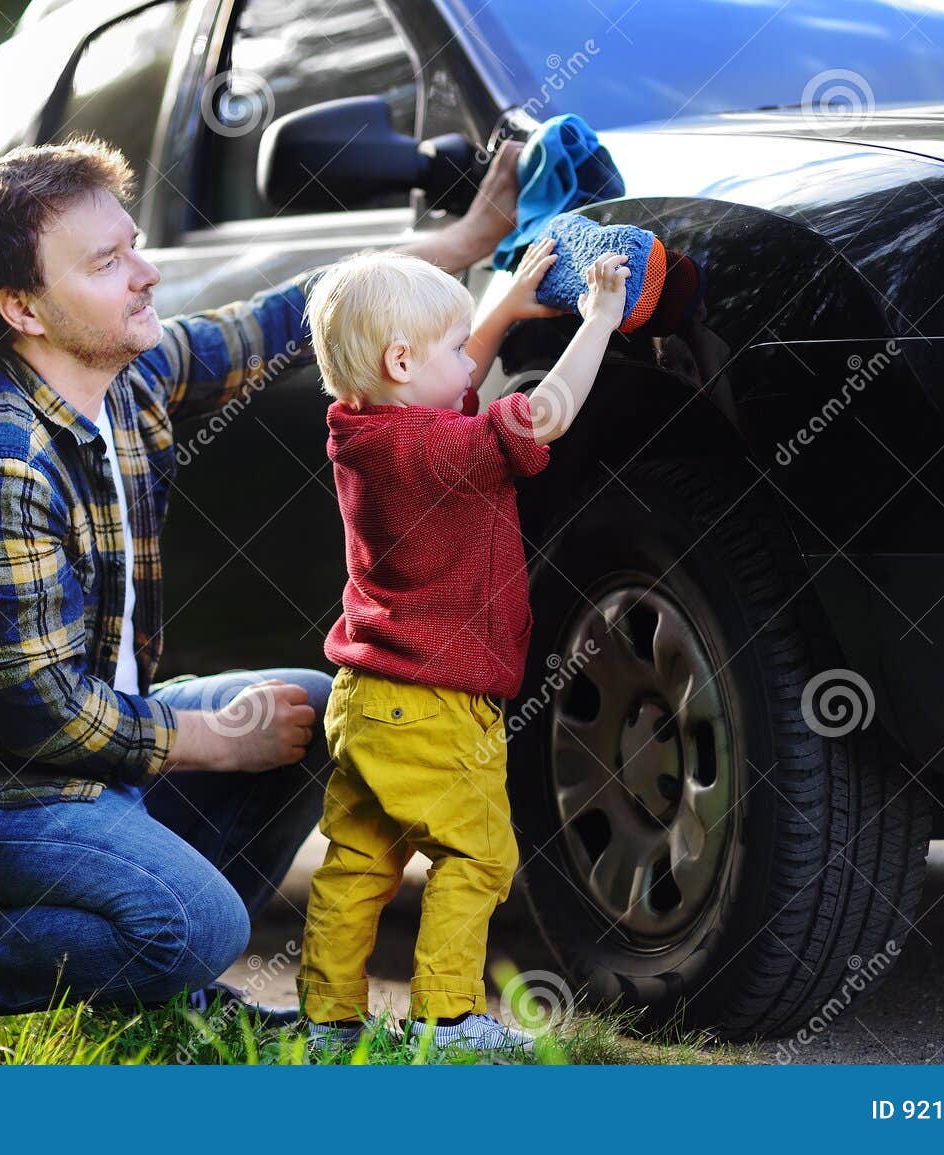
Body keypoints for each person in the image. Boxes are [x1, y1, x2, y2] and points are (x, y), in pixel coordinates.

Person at [0, 132, 526, 1031]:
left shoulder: (122, 377)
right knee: (205, 922)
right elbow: (42, 712)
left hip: (72, 775)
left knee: (304, 704)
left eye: (132, 245)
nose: (147, 273)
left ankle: (162, 976)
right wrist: (211, 739)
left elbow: (299, 312)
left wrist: (466, 245)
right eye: (108, 262)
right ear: (24, 307)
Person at [296, 239, 631, 1053]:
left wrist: (503, 309)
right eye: (454, 348)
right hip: (439, 706)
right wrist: (598, 323)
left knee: (359, 863)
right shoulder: (441, 451)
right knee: (477, 857)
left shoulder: (365, 430)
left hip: (367, 698)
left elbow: (441, 380)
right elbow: (543, 416)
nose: (469, 364)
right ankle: (447, 1019)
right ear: (401, 361)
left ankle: (326, 1020)